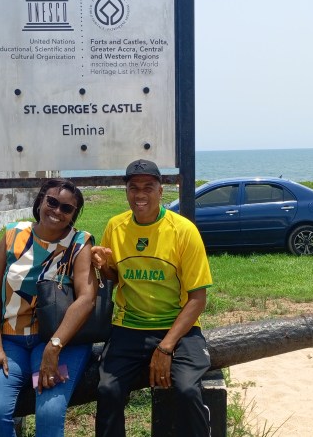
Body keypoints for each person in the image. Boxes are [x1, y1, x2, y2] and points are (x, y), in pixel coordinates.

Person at [92, 159, 214, 437]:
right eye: (133, 187)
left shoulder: (183, 231)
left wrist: (166, 347)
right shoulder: (116, 226)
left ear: (161, 191)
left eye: (148, 187)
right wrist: (102, 265)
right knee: (107, 390)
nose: (140, 194)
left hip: (179, 330)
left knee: (186, 390)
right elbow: (116, 276)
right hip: (129, 326)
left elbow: (198, 299)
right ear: (126, 192)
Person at [0, 178, 98, 437]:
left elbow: (87, 298)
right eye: (52, 202)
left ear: (74, 214)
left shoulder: (79, 243)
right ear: (41, 200)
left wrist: (54, 347)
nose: (57, 211)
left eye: (66, 208)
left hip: (58, 341)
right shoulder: (14, 235)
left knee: (49, 412)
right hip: (10, 341)